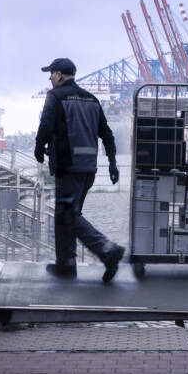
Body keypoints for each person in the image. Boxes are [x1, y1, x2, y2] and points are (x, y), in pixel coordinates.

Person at [34, 57, 125, 283]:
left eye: (51, 74)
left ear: (59, 75)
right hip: (89, 169)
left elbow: (45, 125)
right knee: (65, 215)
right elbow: (107, 134)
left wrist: (38, 148)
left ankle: (108, 250)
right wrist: (112, 163)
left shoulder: (55, 96)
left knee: (68, 214)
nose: (50, 78)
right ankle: (66, 265)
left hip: (68, 165)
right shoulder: (91, 99)